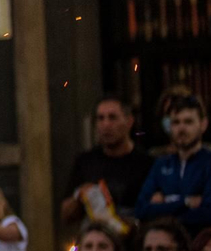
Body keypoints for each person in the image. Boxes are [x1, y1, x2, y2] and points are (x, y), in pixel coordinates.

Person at [61, 97, 155, 235]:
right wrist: (80, 196)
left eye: (112, 118)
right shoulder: (85, 162)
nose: (106, 125)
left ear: (129, 121)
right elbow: (66, 215)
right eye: (100, 118)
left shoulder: (147, 163)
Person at [135, 96, 211, 233]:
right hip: (165, 242)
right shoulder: (161, 164)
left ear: (203, 124)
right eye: (176, 122)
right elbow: (141, 210)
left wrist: (165, 204)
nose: (181, 128)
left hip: (201, 242)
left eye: (188, 122)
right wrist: (186, 202)